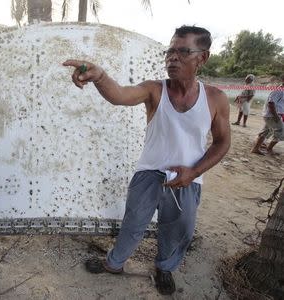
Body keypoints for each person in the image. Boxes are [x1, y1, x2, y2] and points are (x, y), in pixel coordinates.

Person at [63, 25, 231, 295]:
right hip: (150, 173)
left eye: (183, 51)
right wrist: (100, 76)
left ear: (203, 57)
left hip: (190, 177)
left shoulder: (216, 98)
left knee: (179, 230)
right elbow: (120, 95)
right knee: (133, 223)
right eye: (170, 51)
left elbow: (223, 142)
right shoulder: (155, 90)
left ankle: (164, 267)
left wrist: (193, 172)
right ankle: (114, 263)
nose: (172, 58)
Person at [251, 74, 284, 155]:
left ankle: (256, 148)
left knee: (266, 132)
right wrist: (276, 116)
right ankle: (269, 149)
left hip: (272, 115)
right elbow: (271, 103)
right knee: (281, 132)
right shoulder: (279, 90)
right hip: (272, 116)